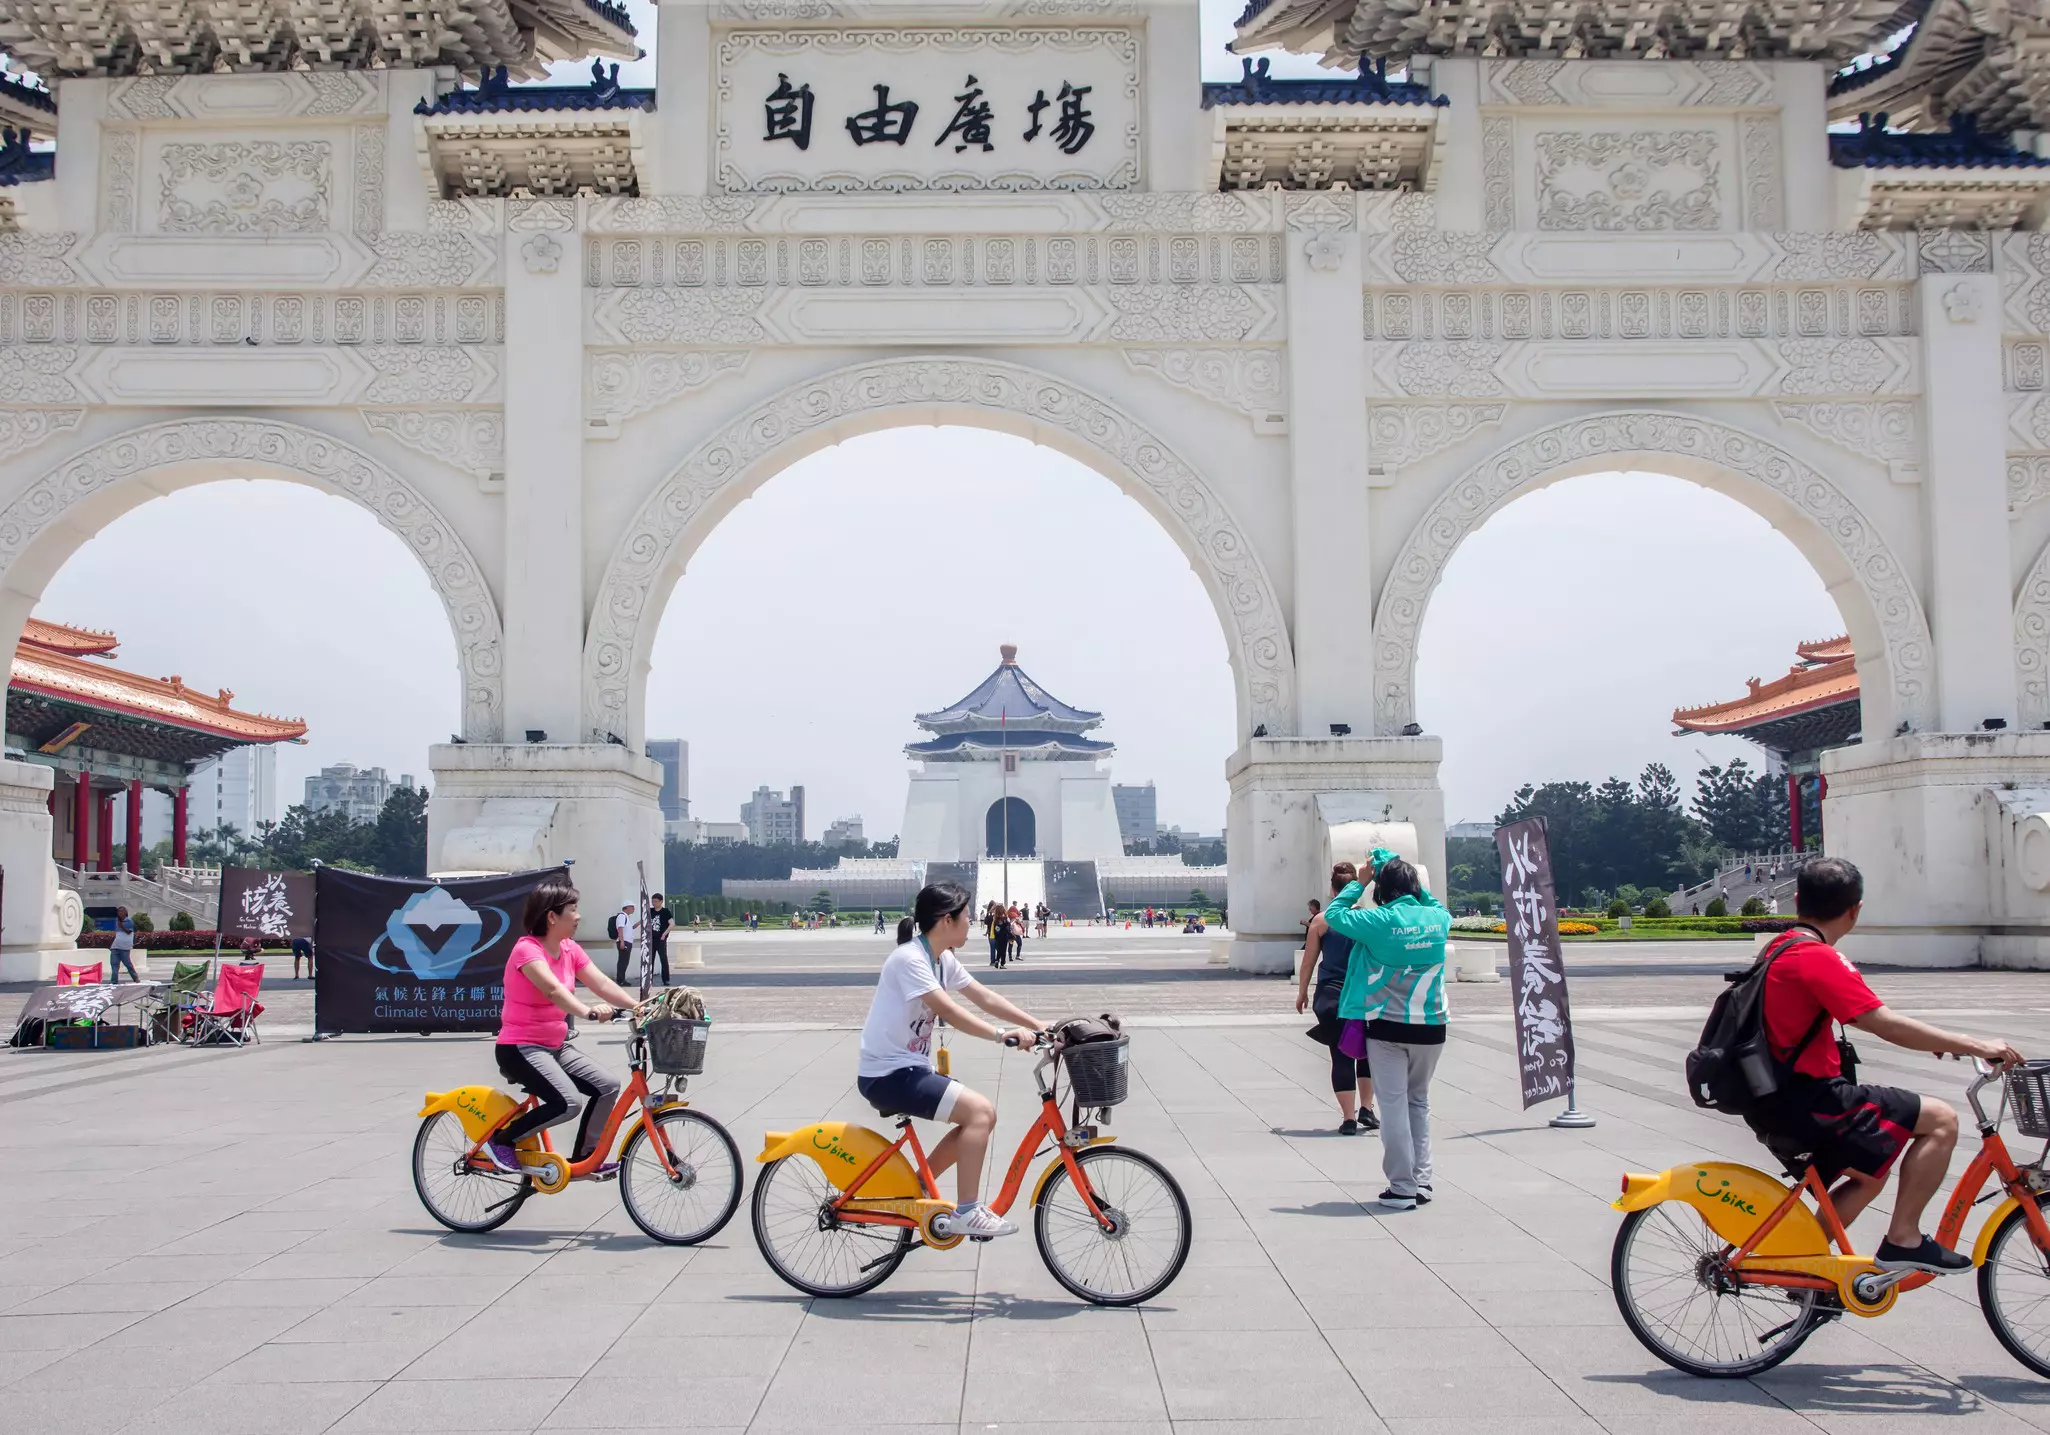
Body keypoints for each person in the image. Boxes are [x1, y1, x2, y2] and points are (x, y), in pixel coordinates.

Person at [1740, 858, 2021, 1274]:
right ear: (1855, 909)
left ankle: (1801, 1267)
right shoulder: (1818, 957)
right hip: (1810, 1101)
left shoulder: (1780, 947)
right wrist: (1975, 1044)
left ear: (1797, 900)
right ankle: (1903, 1240)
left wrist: (1939, 1042)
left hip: (1777, 1100)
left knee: (1870, 1174)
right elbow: (1883, 1024)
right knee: (1941, 1120)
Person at [858, 882, 1043, 1239]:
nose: (971, 922)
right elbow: (950, 1011)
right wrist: (1000, 1035)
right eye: (966, 917)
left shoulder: (941, 958)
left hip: (909, 1069)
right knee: (979, 1112)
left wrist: (1037, 1025)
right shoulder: (910, 959)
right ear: (947, 920)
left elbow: (983, 996)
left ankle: (918, 1185)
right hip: (888, 1074)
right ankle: (969, 1210)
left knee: (980, 1117)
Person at [1322, 852, 1450, 1211]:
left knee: (1392, 1107)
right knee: (1418, 1104)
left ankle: (1402, 1186)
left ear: (1384, 889)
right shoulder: (1439, 919)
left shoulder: (1380, 920)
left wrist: (1361, 881)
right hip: (1432, 1026)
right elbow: (1430, 901)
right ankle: (1422, 1180)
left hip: (1388, 1025)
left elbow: (1334, 916)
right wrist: (1408, 880)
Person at [487, 879, 639, 1175]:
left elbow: (602, 983)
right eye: (573, 909)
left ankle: (587, 1156)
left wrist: (639, 1006)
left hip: (555, 1046)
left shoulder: (569, 948)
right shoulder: (526, 950)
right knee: (568, 1102)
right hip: (520, 1048)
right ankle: (502, 1140)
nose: (579, 916)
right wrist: (588, 1012)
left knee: (607, 1086)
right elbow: (553, 990)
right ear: (552, 916)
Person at [1294, 862, 1377, 1135]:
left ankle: (1348, 1118)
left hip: (1331, 995)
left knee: (1341, 1056)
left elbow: (1308, 962)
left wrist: (1302, 991)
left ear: (1332, 889)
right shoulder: (1368, 919)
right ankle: (1367, 1108)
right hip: (1364, 995)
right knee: (1367, 1055)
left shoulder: (1321, 921)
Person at [646, 893, 673, 987]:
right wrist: (636, 925)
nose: (654, 903)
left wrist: (664, 934)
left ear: (661, 901)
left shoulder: (665, 911)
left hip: (661, 939)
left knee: (663, 959)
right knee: (650, 960)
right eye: (653, 901)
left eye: (656, 901)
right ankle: (649, 979)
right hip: (651, 939)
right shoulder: (650, 911)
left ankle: (666, 979)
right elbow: (644, 920)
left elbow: (672, 924)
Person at [609, 901, 638, 984]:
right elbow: (620, 929)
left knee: (625, 961)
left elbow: (631, 928)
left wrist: (641, 922)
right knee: (623, 961)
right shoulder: (622, 916)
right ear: (627, 907)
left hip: (627, 941)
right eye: (632, 907)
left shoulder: (626, 917)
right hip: (624, 941)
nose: (633, 909)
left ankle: (622, 978)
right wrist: (622, 941)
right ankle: (620, 980)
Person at [107, 906, 138, 983]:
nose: (120, 913)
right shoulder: (117, 921)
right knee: (114, 964)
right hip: (116, 946)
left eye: (122, 911)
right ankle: (114, 981)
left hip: (125, 947)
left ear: (125, 913)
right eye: (119, 911)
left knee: (127, 964)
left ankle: (135, 978)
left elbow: (129, 932)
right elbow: (118, 934)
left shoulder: (129, 921)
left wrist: (122, 926)